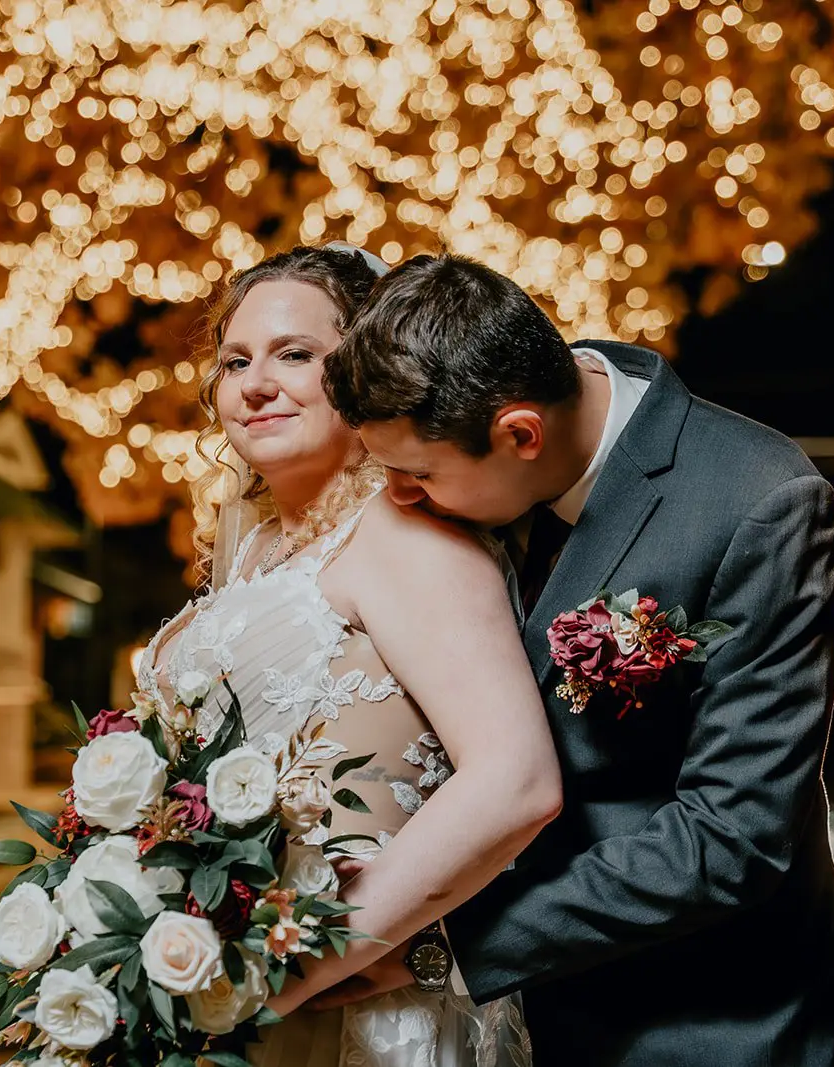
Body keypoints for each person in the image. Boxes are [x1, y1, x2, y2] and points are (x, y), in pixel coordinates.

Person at [313, 252, 834, 1067]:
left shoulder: (761, 500)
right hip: (520, 1034)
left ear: (519, 433)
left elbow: (734, 834)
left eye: (416, 473)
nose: (397, 495)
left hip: (706, 1026)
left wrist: (445, 945)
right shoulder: (477, 461)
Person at [134, 245, 559, 1067]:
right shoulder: (250, 548)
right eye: (235, 360)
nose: (255, 383)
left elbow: (515, 780)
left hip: (366, 1005)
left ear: (362, 374)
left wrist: (293, 969)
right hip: (236, 992)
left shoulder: (407, 536)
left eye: (295, 354)